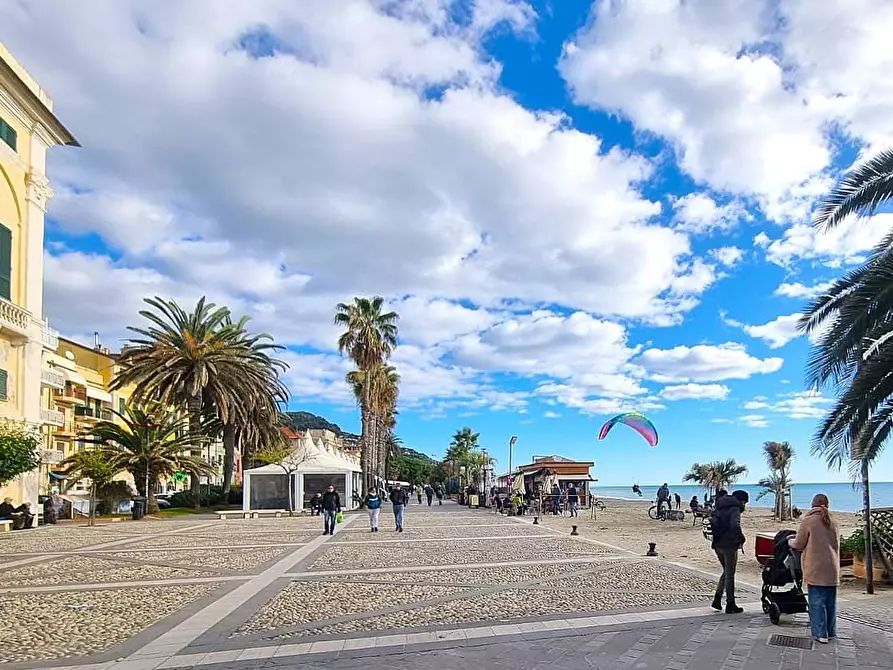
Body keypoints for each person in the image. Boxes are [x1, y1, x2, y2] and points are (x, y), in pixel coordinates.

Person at [788, 494, 840, 643]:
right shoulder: (833, 521)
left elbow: (799, 543)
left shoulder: (809, 521)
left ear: (813, 504)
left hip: (816, 566)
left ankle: (820, 633)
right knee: (830, 602)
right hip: (832, 566)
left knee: (817, 601)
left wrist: (790, 541)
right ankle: (831, 631)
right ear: (827, 504)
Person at [710, 490, 748, 614]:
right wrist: (741, 539)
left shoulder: (719, 506)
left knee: (726, 571)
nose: (745, 506)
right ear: (741, 501)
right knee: (730, 574)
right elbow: (734, 525)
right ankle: (730, 604)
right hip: (729, 545)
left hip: (717, 544)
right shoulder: (735, 509)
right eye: (745, 503)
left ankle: (717, 599)